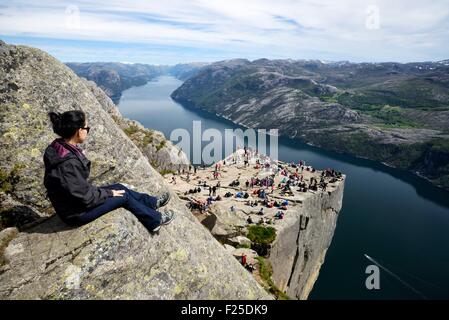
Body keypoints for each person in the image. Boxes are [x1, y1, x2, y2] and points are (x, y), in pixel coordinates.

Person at [43, 110, 175, 233]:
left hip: (73, 202)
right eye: (87, 128)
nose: (88, 131)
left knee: (120, 187)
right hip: (76, 213)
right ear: (79, 131)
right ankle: (155, 221)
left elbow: (77, 189)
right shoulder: (68, 163)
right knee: (123, 196)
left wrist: (108, 192)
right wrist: (109, 193)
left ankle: (151, 202)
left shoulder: (59, 146)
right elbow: (85, 197)